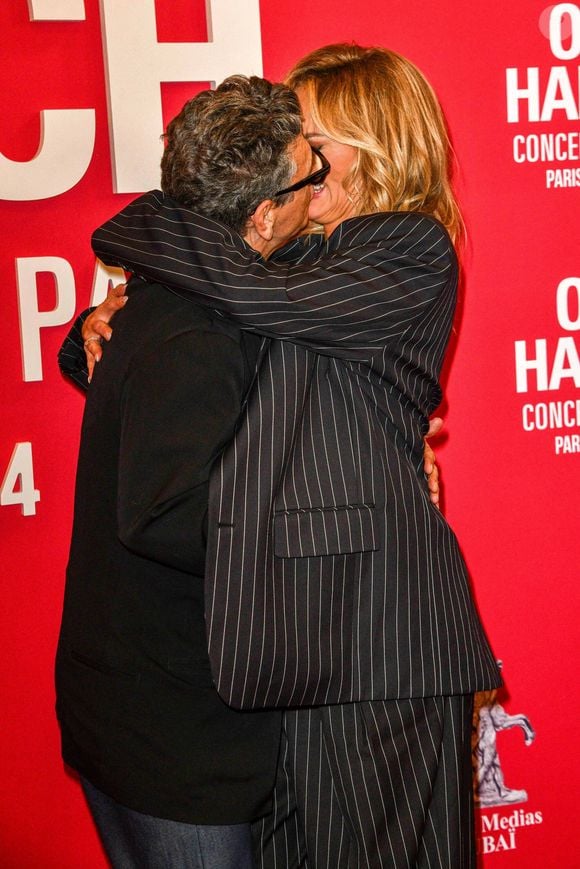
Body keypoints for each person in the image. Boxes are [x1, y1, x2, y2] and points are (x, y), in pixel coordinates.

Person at [78, 45, 502, 867]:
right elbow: (195, 346)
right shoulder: (269, 253)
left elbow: (248, 301)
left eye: (311, 137)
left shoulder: (409, 250)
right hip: (284, 647)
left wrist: (148, 223)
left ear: (376, 145)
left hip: (383, 644)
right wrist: (88, 333)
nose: (292, 158)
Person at [55, 75, 329, 869]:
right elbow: (169, 511)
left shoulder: (172, 283)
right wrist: (318, 519)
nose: (323, 186)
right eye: (310, 175)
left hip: (135, 709)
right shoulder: (201, 330)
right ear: (261, 213)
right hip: (171, 741)